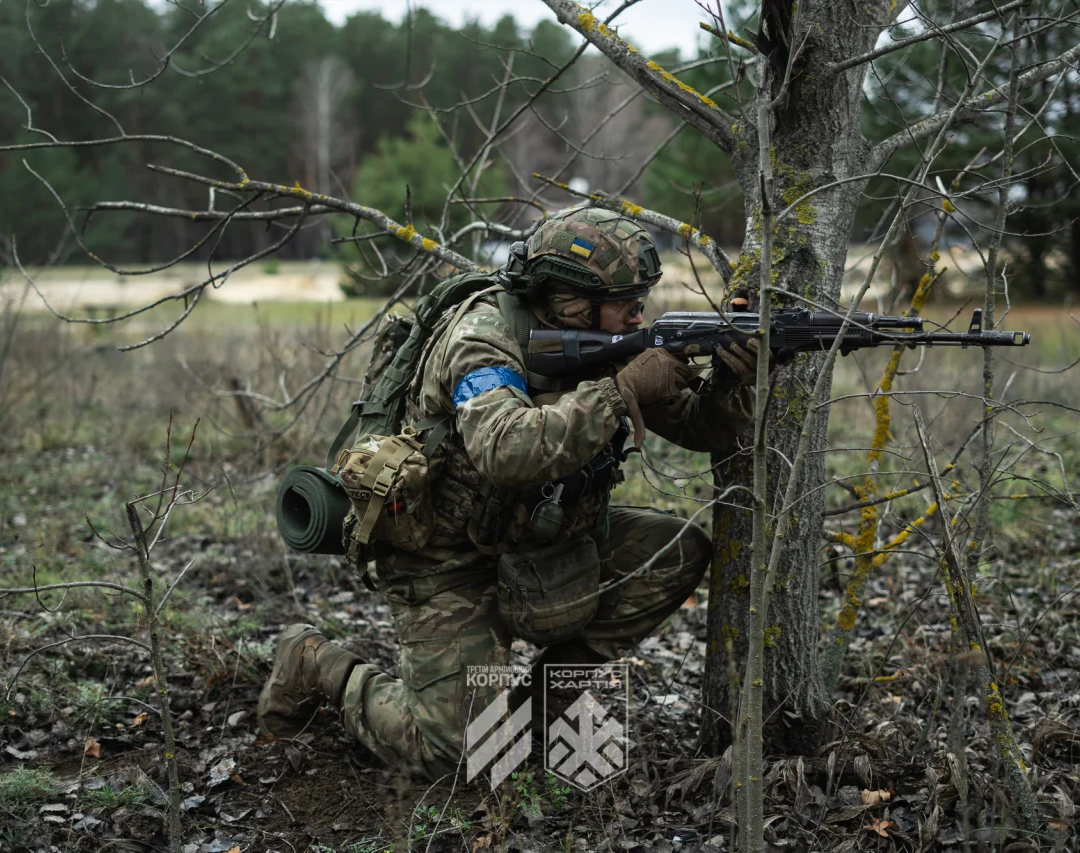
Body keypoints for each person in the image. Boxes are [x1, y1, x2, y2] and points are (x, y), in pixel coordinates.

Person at [257, 206, 762, 779]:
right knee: (458, 758)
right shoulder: (481, 335)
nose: (637, 311)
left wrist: (730, 377)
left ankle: (533, 714)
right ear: (569, 298)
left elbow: (702, 427)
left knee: (675, 550)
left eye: (640, 297)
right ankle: (317, 663)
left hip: (536, 539)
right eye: (625, 299)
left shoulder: (608, 337)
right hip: (444, 559)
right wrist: (620, 393)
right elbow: (506, 449)